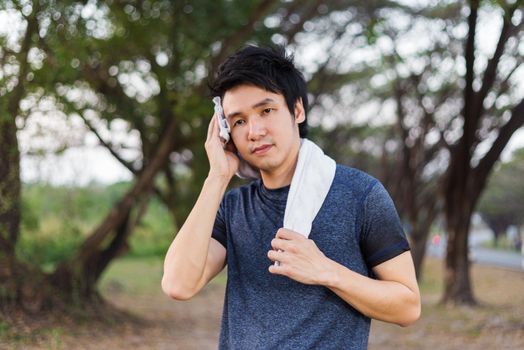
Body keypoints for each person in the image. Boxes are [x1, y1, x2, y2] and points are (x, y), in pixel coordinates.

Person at [162, 45, 421, 349]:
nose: (254, 131)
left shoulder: (360, 195)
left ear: (297, 110)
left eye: (266, 110)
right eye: (238, 121)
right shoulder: (233, 207)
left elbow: (408, 306)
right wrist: (217, 177)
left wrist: (326, 271)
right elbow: (178, 285)